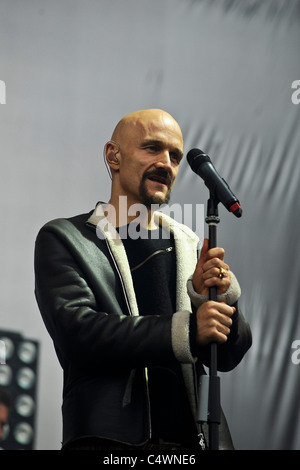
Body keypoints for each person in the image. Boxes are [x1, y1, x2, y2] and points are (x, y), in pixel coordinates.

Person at [34, 108, 252, 451]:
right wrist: (187, 330)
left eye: (175, 156)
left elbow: (228, 356)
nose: (166, 163)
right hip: (111, 442)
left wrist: (216, 303)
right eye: (152, 148)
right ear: (113, 155)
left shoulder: (190, 245)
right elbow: (78, 333)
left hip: (192, 443)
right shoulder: (66, 238)